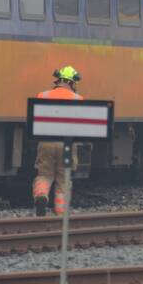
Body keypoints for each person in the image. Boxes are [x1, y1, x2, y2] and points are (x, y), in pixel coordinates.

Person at [33, 66, 84, 217]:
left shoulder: (42, 95)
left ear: (58, 80)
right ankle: (60, 213)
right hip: (67, 144)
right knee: (64, 177)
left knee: (44, 174)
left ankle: (41, 195)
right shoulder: (78, 99)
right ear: (72, 83)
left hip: (46, 142)